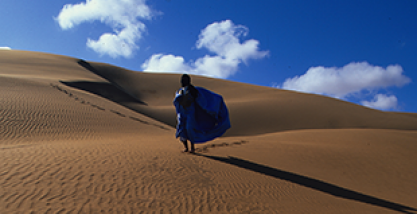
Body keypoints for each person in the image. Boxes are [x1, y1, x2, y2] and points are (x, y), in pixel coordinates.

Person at [173, 74, 231, 153]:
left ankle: (192, 148)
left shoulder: (194, 90)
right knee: (182, 131)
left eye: (184, 80)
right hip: (182, 115)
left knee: (190, 130)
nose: (183, 82)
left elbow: (204, 98)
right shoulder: (180, 91)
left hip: (190, 114)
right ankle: (186, 148)